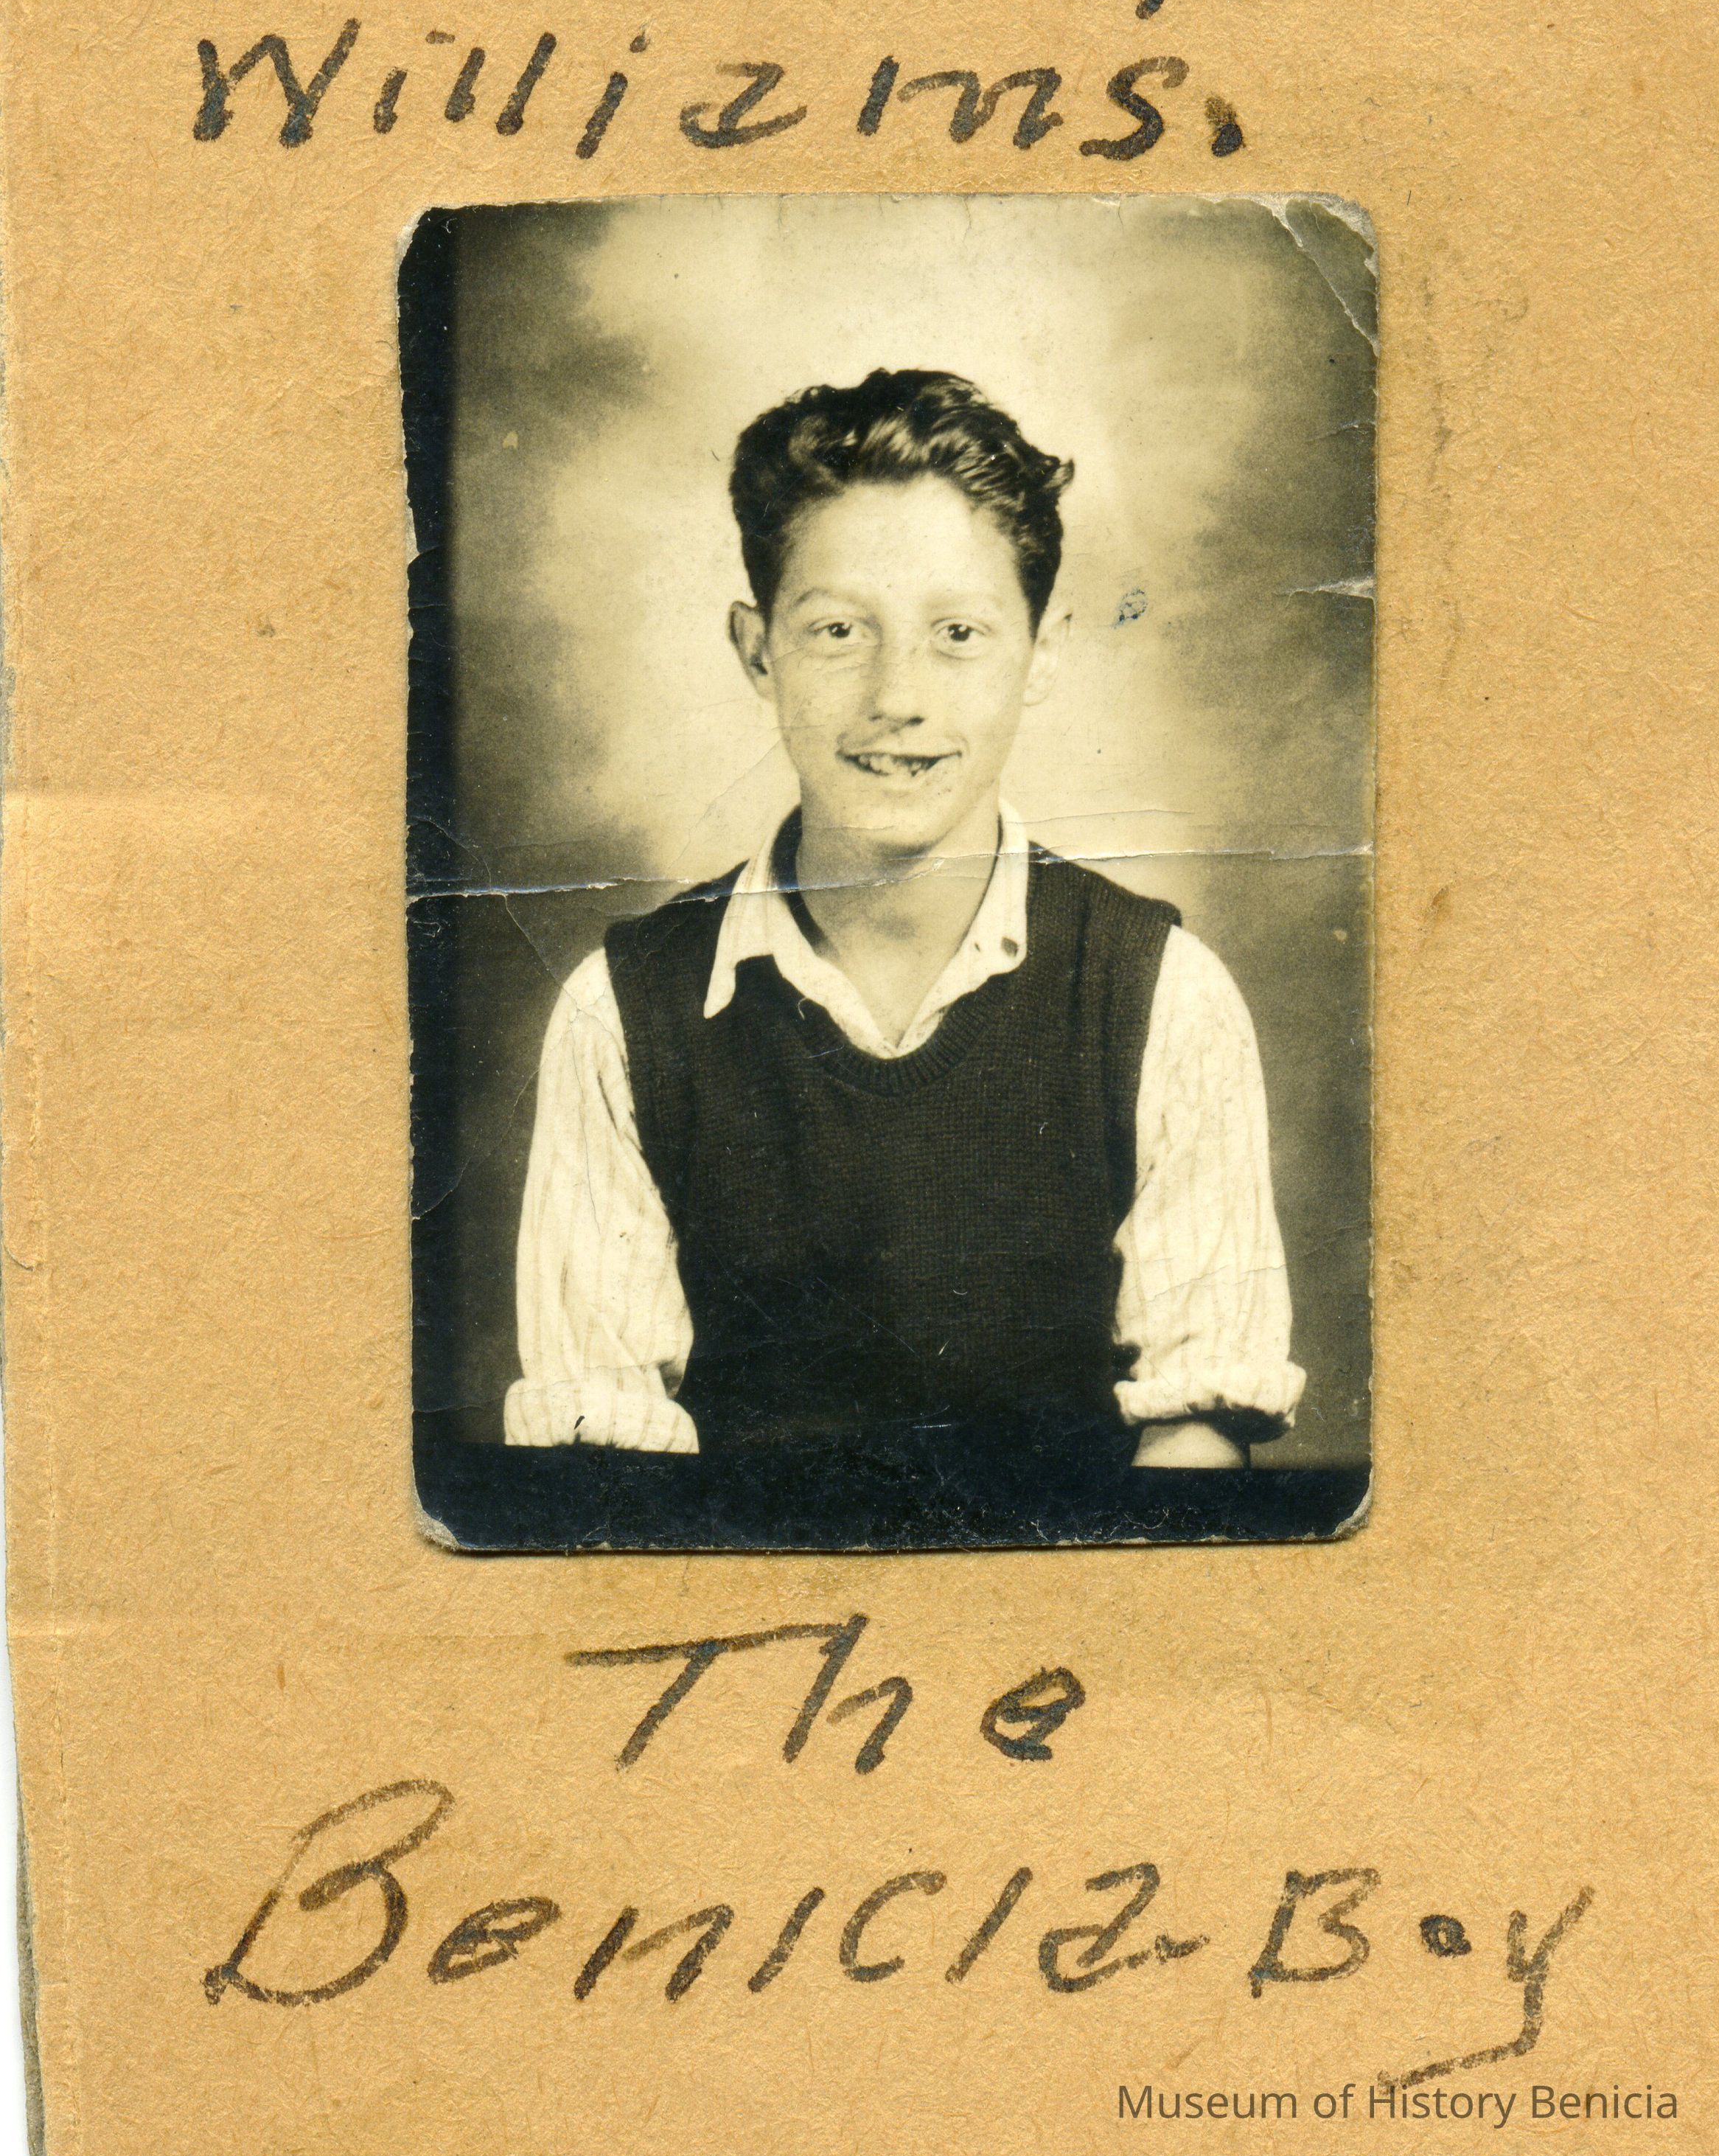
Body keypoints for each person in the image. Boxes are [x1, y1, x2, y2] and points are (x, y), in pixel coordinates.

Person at [506, 369, 1303, 1517]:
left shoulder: (1165, 997)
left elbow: (1195, 1456)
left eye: (958, 634)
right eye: (837, 631)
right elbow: (602, 1484)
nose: (898, 696)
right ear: (756, 650)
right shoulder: (620, 1014)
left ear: (1043, 652)